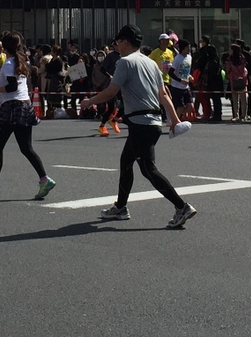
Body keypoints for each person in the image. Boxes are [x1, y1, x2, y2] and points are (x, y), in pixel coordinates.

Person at [80, 24, 197, 228]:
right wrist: (173, 121)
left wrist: (90, 101)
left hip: (139, 122)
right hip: (152, 122)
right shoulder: (151, 63)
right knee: (126, 161)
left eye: (118, 42)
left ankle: (181, 206)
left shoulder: (125, 62)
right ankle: (121, 207)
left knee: (148, 168)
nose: (116, 45)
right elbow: (164, 95)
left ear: (125, 42)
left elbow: (111, 91)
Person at [0, 33, 56, 200]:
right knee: (26, 148)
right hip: (25, 105)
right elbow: (15, 83)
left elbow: (11, 86)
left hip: (10, 108)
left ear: (4, 48)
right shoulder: (22, 62)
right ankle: (44, 179)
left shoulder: (8, 64)